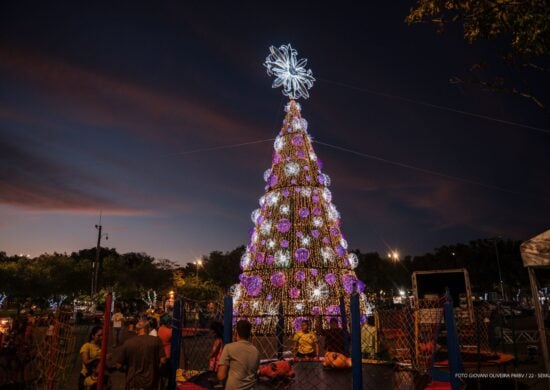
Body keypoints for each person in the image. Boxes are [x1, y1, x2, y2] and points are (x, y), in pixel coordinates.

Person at [115, 319, 166, 390]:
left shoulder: (128, 343)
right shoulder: (156, 341)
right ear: (147, 328)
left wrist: (128, 369)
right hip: (150, 381)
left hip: (133, 380)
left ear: (137, 330)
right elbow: (163, 361)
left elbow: (118, 365)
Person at [217, 320, 259, 390]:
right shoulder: (256, 351)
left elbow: (221, 376)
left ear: (237, 332)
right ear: (249, 334)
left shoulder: (229, 347)